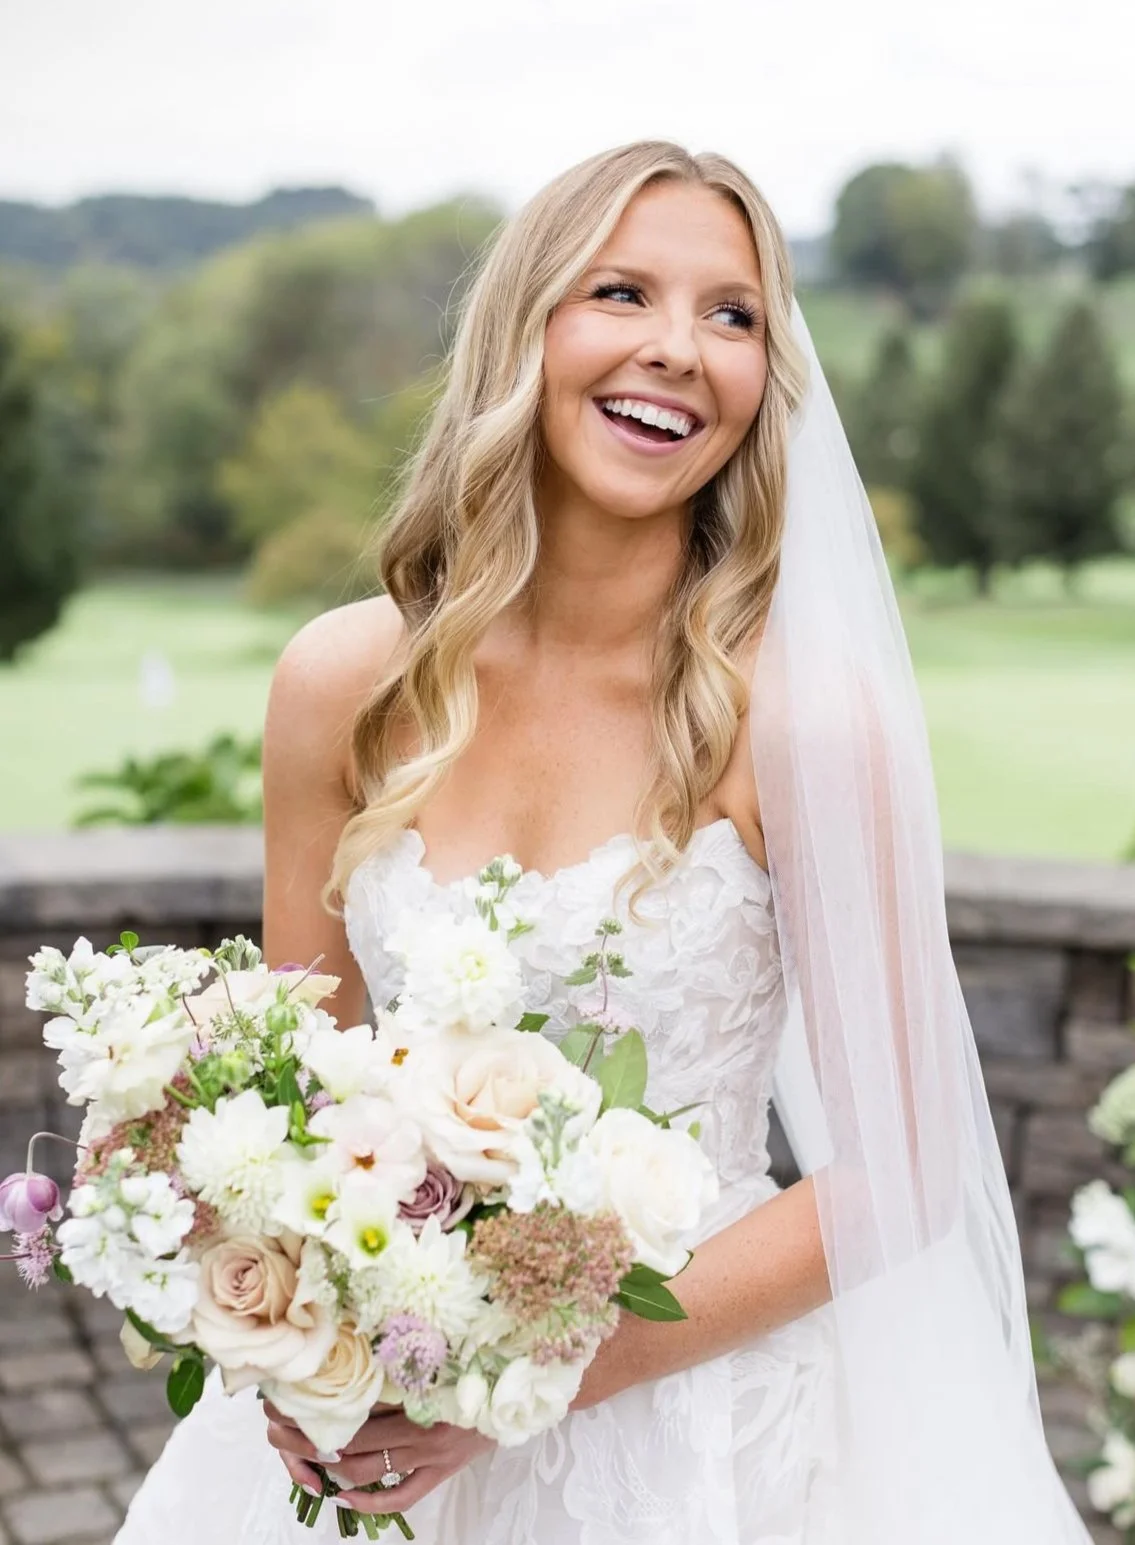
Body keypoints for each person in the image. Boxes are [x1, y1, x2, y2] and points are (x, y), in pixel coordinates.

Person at [115, 141, 1091, 1544]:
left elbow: (907, 1162)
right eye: (621, 292)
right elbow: (297, 1098)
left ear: (766, 379)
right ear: (526, 329)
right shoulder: (341, 684)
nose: (678, 349)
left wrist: (521, 1378)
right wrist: (306, 1322)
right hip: (377, 1406)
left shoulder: (802, 721)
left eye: (731, 314)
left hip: (699, 1432)